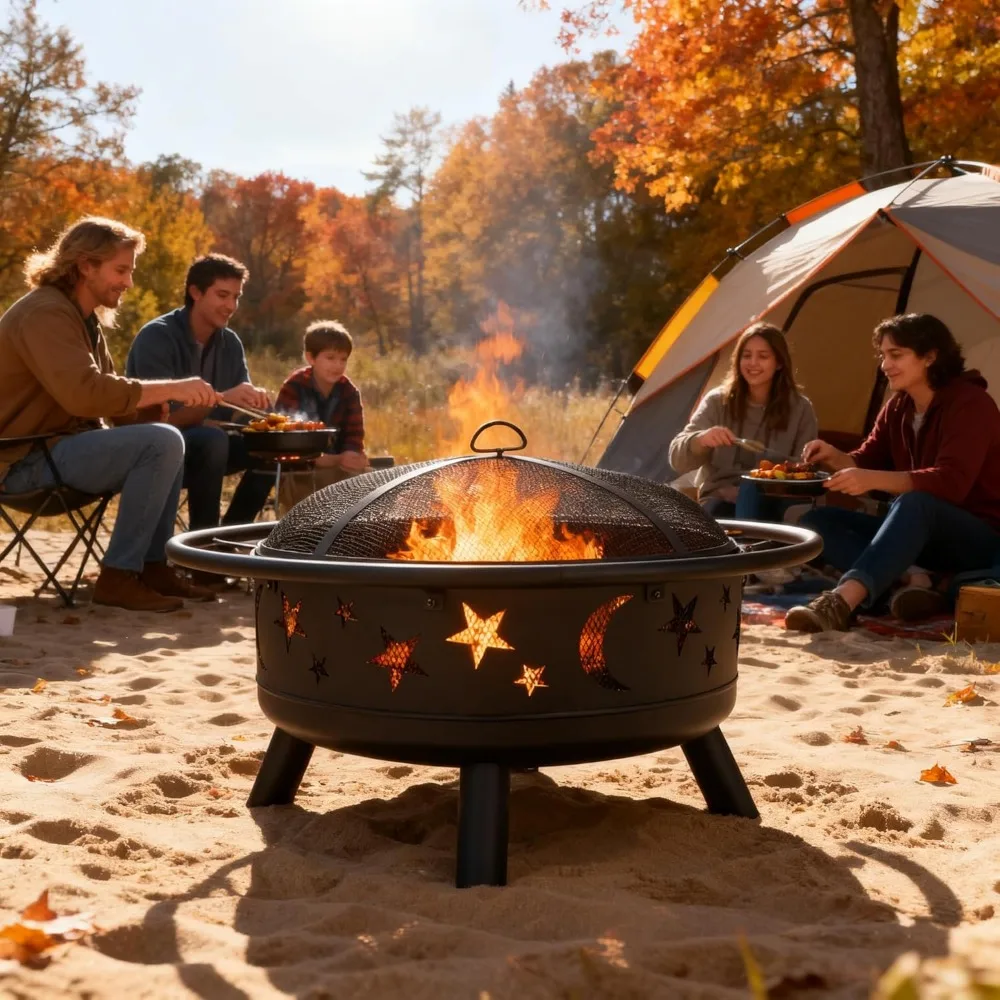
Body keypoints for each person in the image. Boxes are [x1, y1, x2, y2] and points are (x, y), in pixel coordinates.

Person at [0, 217, 220, 612]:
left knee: (165, 437)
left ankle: (152, 568)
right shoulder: (45, 314)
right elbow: (84, 394)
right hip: (19, 460)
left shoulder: (82, 319)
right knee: (161, 441)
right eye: (121, 270)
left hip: (57, 449)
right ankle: (119, 577)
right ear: (86, 265)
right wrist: (171, 387)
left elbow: (106, 401)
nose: (128, 282)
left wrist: (149, 410)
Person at [786, 313, 1000, 632]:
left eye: (896, 355)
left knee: (915, 502)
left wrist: (872, 479)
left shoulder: (971, 404)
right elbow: (865, 461)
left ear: (930, 356)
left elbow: (951, 482)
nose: (885, 365)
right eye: (883, 355)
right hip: (915, 535)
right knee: (815, 523)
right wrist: (834, 457)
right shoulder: (898, 407)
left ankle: (842, 601)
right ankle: (914, 583)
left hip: (977, 538)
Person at [126, 254, 274, 533]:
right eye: (222, 295)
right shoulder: (157, 337)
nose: (231, 306)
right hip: (156, 448)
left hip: (213, 447)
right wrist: (224, 398)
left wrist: (257, 404)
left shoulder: (231, 343)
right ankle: (201, 543)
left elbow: (238, 412)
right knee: (211, 440)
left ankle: (231, 535)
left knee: (271, 446)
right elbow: (164, 421)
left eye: (236, 297)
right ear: (195, 292)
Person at [668, 322, 818, 520]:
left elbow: (806, 470)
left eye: (763, 356)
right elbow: (676, 459)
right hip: (721, 497)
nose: (752, 363)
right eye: (746, 356)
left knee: (755, 495)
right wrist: (701, 439)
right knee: (721, 517)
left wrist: (754, 490)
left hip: (778, 499)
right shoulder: (717, 401)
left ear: (779, 363)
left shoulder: (800, 409)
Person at [274, 320, 368, 511]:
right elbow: (286, 442)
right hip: (299, 469)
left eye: (343, 359)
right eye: (330, 358)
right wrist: (335, 459)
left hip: (339, 468)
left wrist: (352, 454)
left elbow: (354, 435)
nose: (337, 365)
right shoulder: (294, 387)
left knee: (381, 476)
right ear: (311, 358)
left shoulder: (349, 391)